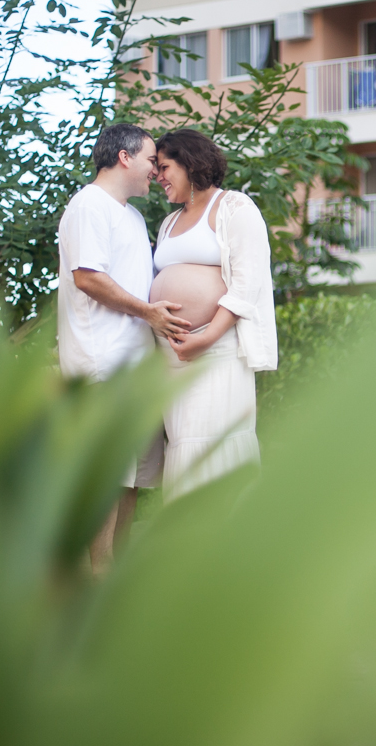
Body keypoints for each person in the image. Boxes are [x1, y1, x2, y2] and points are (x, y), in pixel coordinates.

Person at [57, 123, 191, 574]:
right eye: (152, 160)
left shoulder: (131, 216)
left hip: (137, 366)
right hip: (102, 364)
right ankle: (95, 580)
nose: (156, 170)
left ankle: (114, 577)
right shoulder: (88, 206)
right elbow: (88, 278)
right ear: (124, 157)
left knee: (130, 480)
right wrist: (149, 313)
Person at [151, 129, 277, 502]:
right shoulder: (169, 222)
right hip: (172, 356)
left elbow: (247, 282)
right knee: (184, 443)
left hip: (216, 349)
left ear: (190, 163)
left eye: (164, 167)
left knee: (216, 441)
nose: (158, 176)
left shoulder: (234, 207)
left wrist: (206, 337)